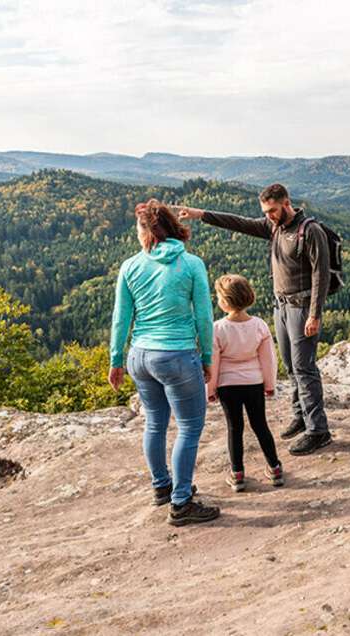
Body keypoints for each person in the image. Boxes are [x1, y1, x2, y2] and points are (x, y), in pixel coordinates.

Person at [177, 184, 333, 456]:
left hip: (302, 307)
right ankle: (301, 416)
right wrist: (200, 214)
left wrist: (314, 315)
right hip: (281, 306)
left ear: (287, 202)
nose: (269, 215)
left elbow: (322, 275)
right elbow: (237, 222)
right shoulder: (273, 227)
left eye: (273, 210)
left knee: (304, 367)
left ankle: (318, 430)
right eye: (265, 211)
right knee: (290, 365)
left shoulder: (309, 231)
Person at [108, 199, 219, 526]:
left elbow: (120, 318)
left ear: (146, 233)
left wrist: (116, 360)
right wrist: (208, 357)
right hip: (176, 354)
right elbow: (204, 316)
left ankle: (162, 487)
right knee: (189, 427)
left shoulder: (130, 266)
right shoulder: (191, 264)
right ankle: (181, 502)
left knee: (155, 423)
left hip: (140, 356)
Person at [207, 274, 284, 492]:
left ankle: (237, 473)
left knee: (235, 427)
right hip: (254, 383)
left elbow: (213, 362)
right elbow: (268, 358)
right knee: (260, 425)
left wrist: (210, 390)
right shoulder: (259, 326)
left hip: (227, 386)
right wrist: (269, 384)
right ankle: (275, 468)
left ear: (224, 302)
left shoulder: (217, 328)